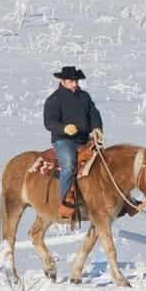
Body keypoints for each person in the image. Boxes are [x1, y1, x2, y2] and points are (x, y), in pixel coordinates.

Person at [43, 65, 104, 219]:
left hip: (83, 139)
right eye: (71, 81)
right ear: (63, 81)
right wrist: (64, 128)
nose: (75, 83)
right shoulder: (54, 99)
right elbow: (49, 122)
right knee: (69, 165)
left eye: (76, 80)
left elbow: (93, 113)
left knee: (105, 160)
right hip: (63, 140)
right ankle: (65, 202)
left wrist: (96, 127)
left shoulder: (84, 96)